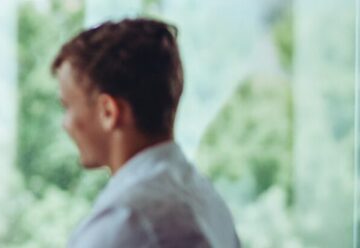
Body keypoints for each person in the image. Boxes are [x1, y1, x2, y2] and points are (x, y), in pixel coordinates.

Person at [52, 18, 240, 247]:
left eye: (68, 106)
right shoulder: (207, 200)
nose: (65, 124)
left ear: (108, 111)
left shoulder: (125, 223)